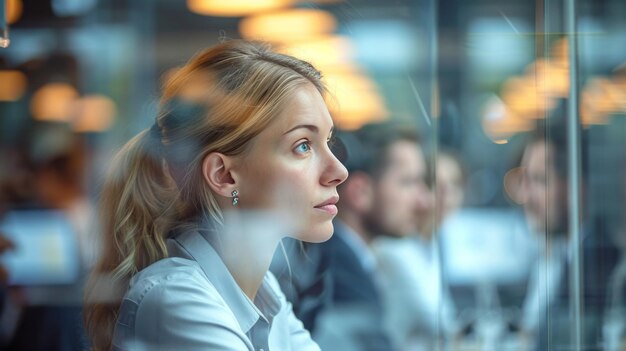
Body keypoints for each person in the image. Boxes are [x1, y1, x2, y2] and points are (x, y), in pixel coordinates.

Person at [83, 40, 348, 351]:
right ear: (224, 175)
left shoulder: (265, 291)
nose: (339, 170)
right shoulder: (176, 298)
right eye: (303, 145)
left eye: (328, 141)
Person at [272, 122, 425, 351]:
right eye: (407, 183)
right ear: (359, 192)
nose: (423, 201)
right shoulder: (338, 274)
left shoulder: (348, 261)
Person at [371, 148, 461, 351]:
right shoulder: (395, 247)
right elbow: (441, 319)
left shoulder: (431, 245)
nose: (447, 197)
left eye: (455, 185)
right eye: (437, 186)